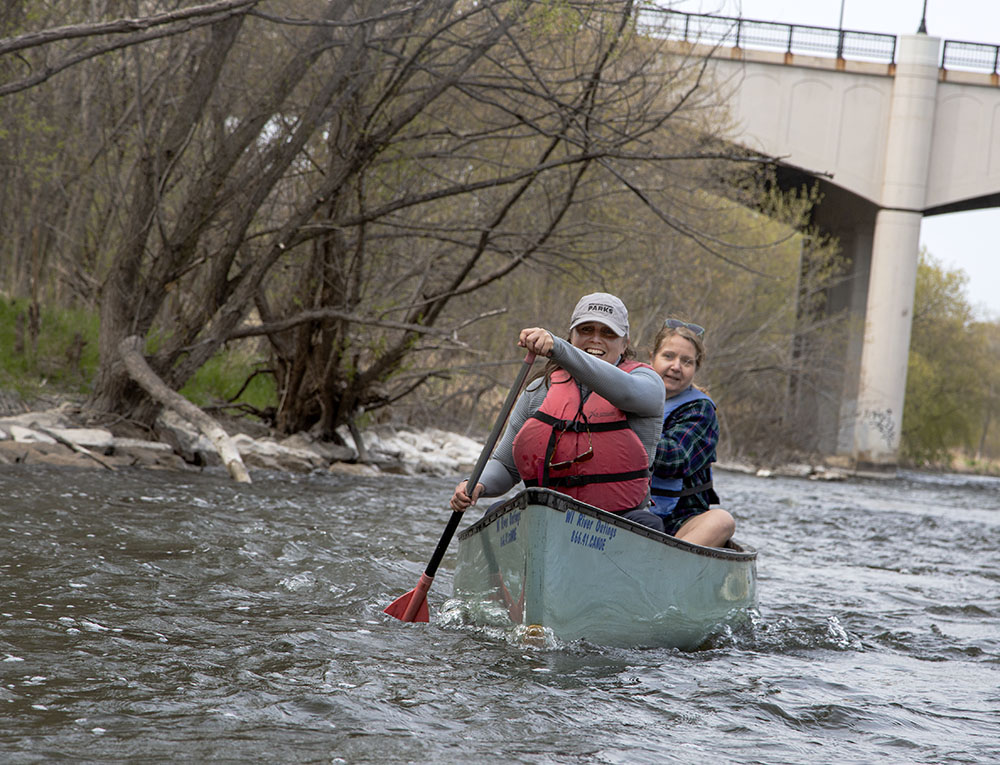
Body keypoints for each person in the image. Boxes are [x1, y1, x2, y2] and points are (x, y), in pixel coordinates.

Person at [450, 292, 666, 531]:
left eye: (607, 333)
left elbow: (626, 394)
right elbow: (506, 465)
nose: (595, 339)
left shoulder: (647, 383)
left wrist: (558, 348)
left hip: (618, 522)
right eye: (585, 330)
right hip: (547, 519)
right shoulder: (539, 390)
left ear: (624, 343)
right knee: (497, 512)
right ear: (571, 336)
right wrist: (477, 484)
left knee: (650, 524)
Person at [648, 318, 735, 547]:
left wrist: (624, 436)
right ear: (651, 358)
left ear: (696, 369)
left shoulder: (700, 410)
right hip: (628, 510)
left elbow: (676, 459)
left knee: (722, 521)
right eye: (668, 356)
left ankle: (662, 570)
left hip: (679, 521)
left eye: (687, 362)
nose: (676, 366)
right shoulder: (629, 394)